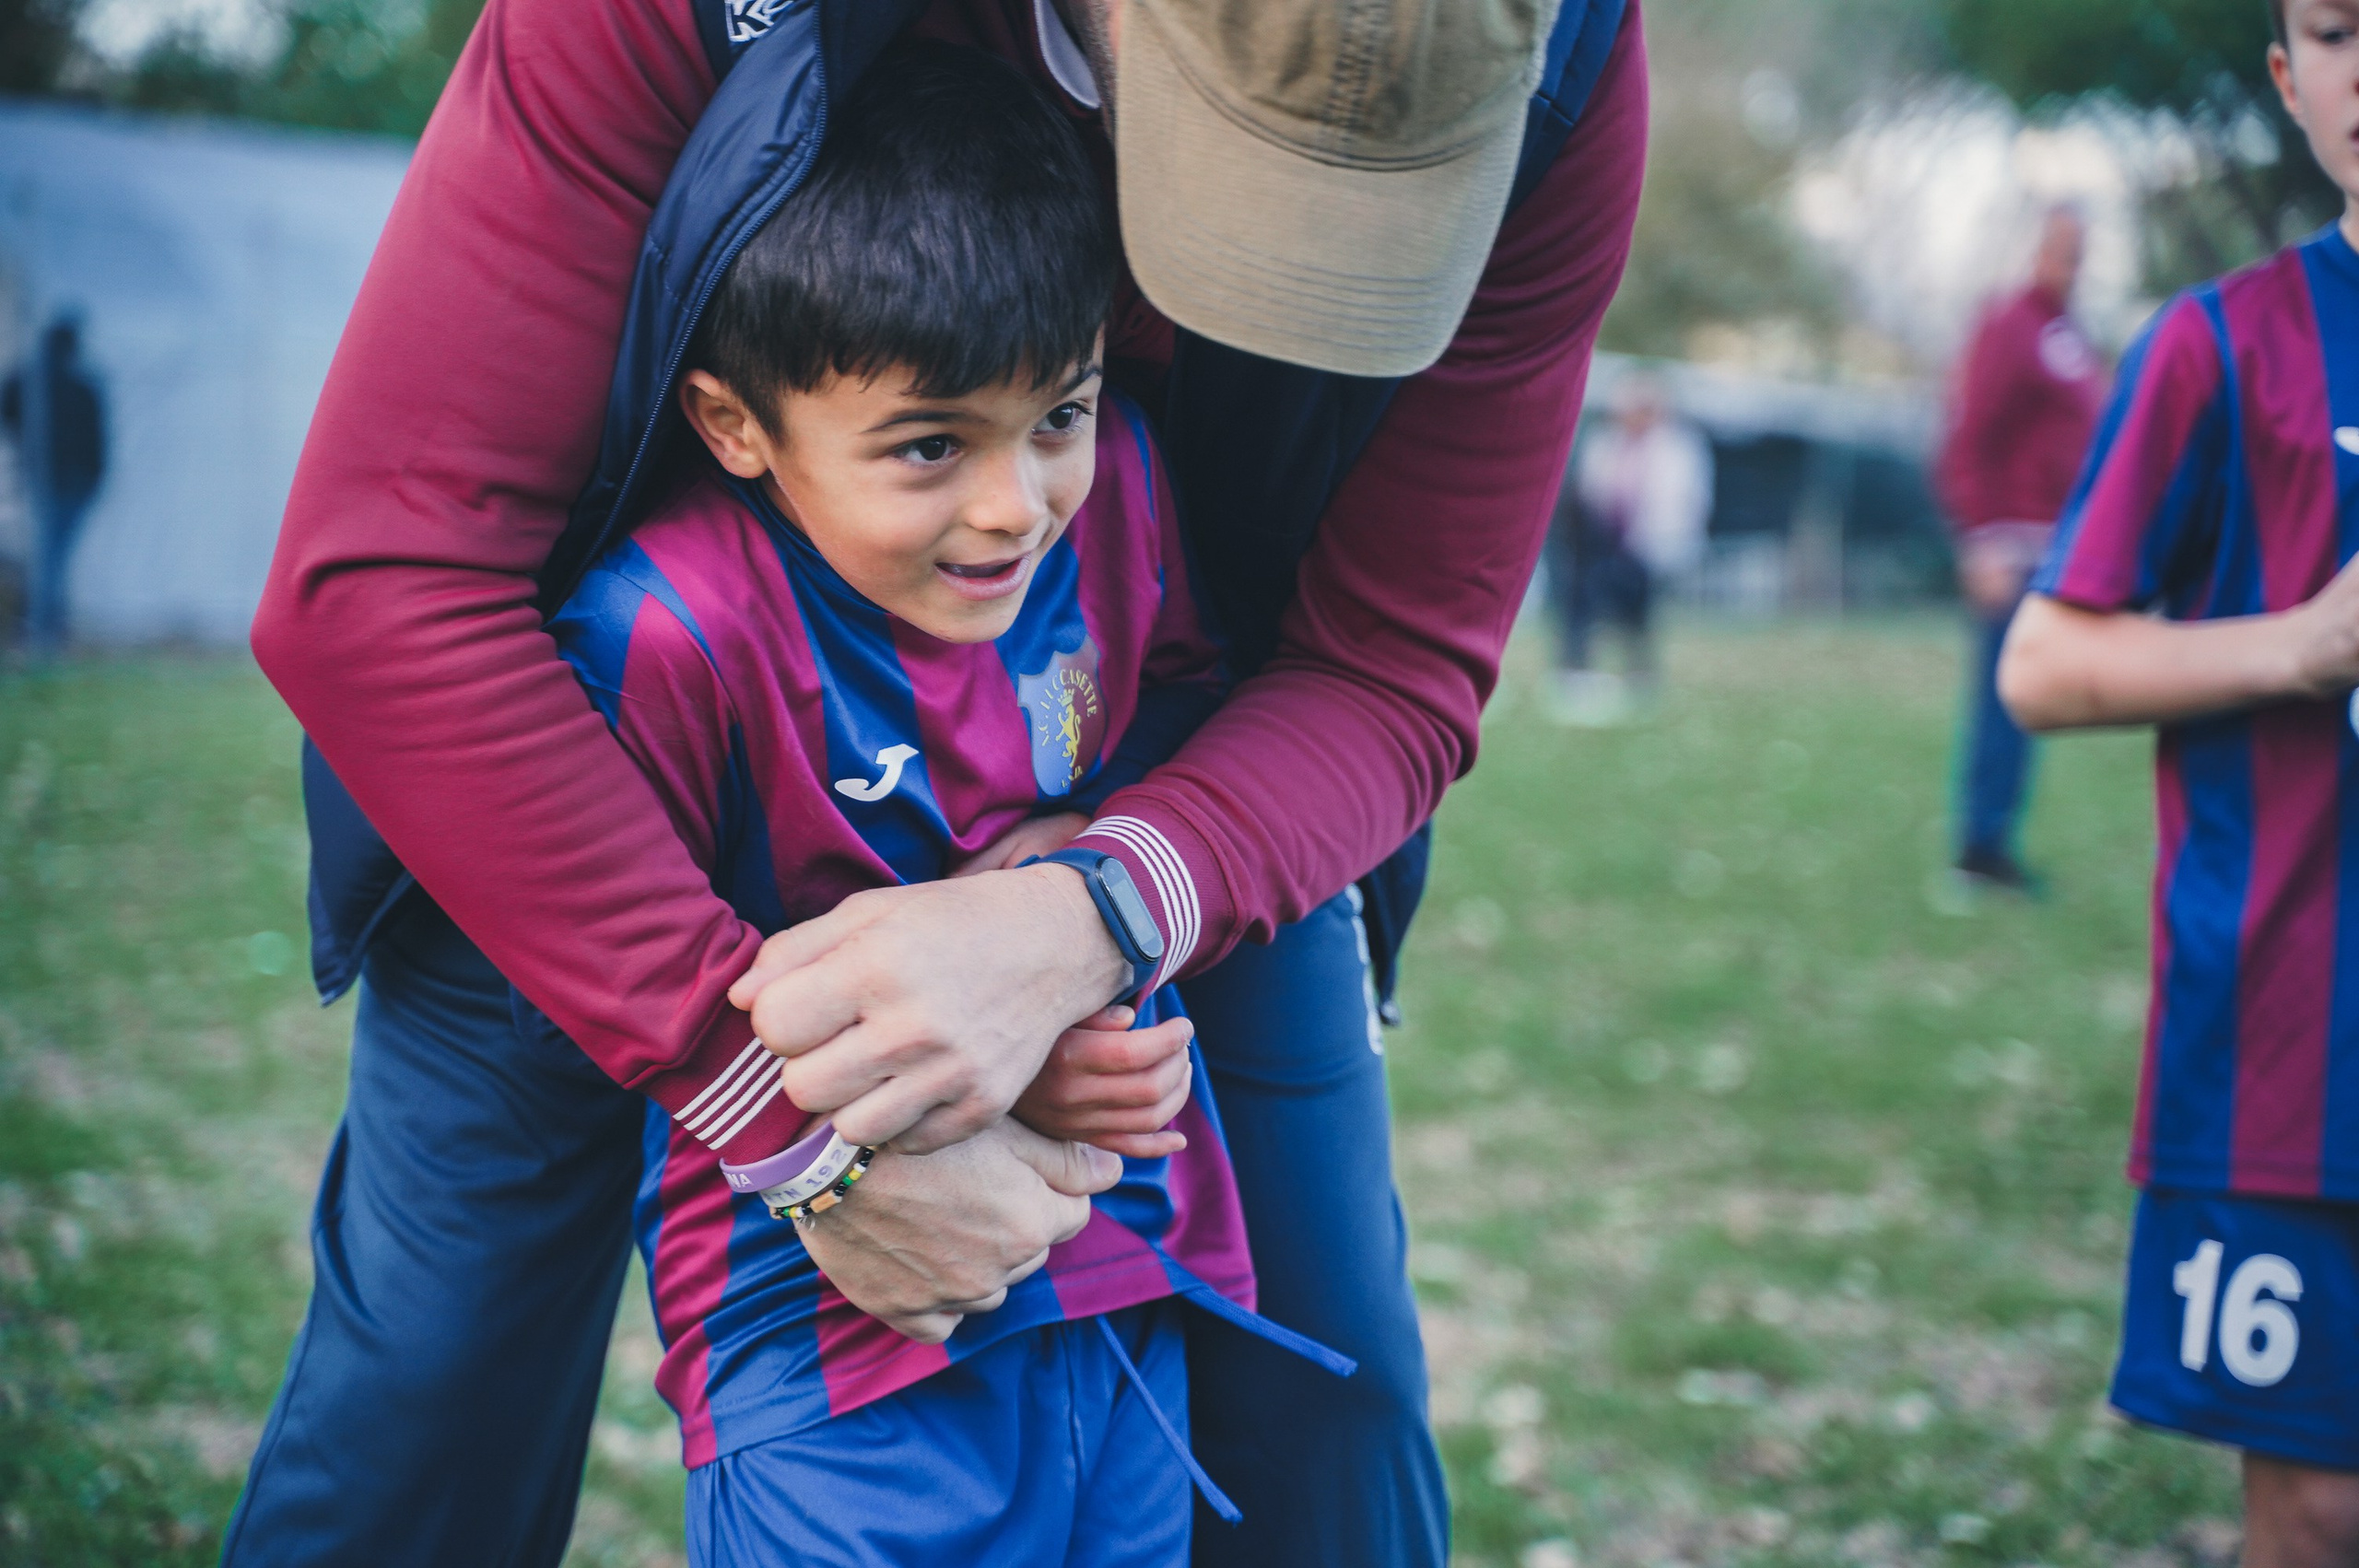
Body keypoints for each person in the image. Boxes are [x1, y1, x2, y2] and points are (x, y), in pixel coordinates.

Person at [229, 0, 1649, 1562]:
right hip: (590, 746)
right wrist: (791, 1121)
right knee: (433, 1398)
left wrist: (1090, 910)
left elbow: (1394, 664)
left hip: (1165, 738)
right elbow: (384, 582)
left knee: (1326, 1390)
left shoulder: (1569, 72)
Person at [539, 49, 1350, 1559]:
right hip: (832, 1339)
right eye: (930, 443)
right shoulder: (666, 636)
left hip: (1113, 1281)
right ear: (736, 425)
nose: (1014, 502)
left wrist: (1090, 891)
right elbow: (635, 954)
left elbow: (1180, 717)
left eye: (1061, 414)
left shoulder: (1130, 499)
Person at [1999, 3, 2359, 1562]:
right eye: (2341, 32)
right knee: (2323, 1500)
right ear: (2290, 81)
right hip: (2293, 1044)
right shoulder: (2229, 342)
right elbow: (2045, 664)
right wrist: (2303, 645)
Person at [1935, 203, 2104, 893]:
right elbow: (1969, 434)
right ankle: (1980, 848)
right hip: (2009, 548)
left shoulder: (2068, 334)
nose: (2069, 261)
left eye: (2079, 249)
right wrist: (1979, 541)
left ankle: (1998, 838)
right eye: (2059, 247)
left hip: (2056, 544)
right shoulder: (2011, 324)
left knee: (2032, 697)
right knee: (2001, 697)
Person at [1543, 372, 1712, 724]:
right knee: (1584, 606)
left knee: (1638, 615)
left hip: (1648, 546)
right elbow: (1591, 492)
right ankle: (1576, 671)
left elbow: (1683, 503)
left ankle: (1640, 677)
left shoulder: (1676, 448)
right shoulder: (1604, 443)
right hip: (1600, 543)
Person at [0, 312, 105, 654]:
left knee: (51, 555)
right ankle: (46, 628)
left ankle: (47, 627)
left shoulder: (42, 382)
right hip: (61, 482)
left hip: (64, 482)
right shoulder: (57, 384)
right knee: (52, 556)